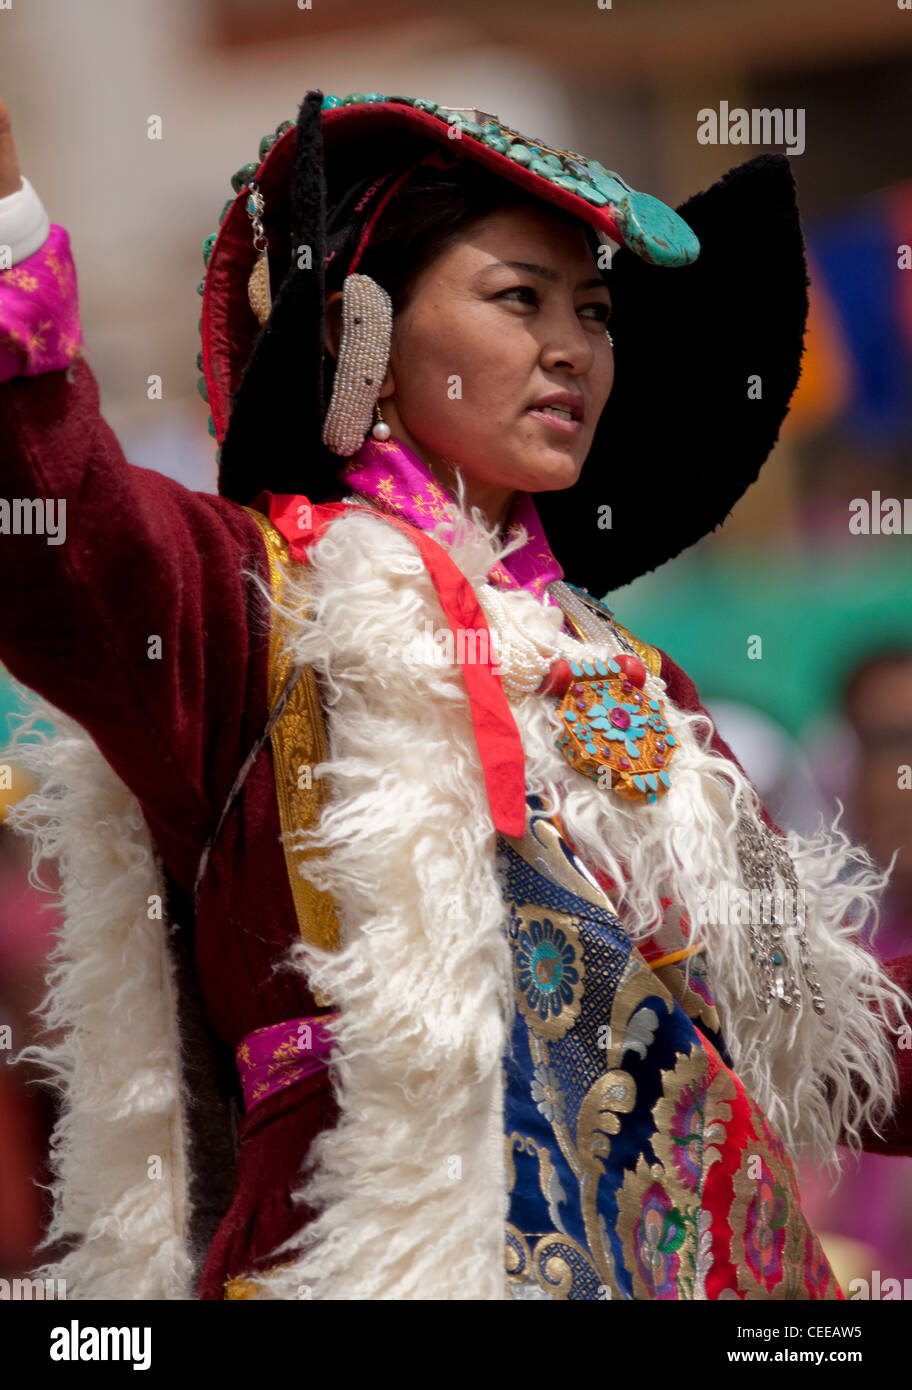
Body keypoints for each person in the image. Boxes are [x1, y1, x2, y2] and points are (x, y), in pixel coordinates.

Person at [0, 88, 910, 1302]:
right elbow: (59, 532)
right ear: (361, 326)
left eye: (593, 312)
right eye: (519, 298)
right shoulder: (249, 605)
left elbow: (828, 1030)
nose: (573, 347)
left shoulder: (640, 686)